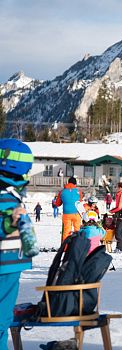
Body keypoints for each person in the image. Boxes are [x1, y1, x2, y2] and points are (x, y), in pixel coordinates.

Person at [0, 139, 38, 350]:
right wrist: (8, 222)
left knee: (3, 319)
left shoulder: (11, 194)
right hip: (9, 263)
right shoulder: (9, 194)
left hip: (10, 264)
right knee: (1, 319)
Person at [55, 176, 83, 242]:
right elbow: (80, 201)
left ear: (68, 182)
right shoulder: (79, 192)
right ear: (75, 184)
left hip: (66, 214)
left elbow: (57, 203)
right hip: (77, 213)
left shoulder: (62, 192)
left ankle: (65, 247)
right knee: (77, 230)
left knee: (67, 231)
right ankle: (77, 245)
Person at [109, 183, 122, 253]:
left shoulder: (121, 195)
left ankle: (120, 248)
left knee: (118, 232)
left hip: (121, 214)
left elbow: (119, 207)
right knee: (120, 232)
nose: (116, 188)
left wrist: (112, 211)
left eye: (117, 187)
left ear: (120, 188)